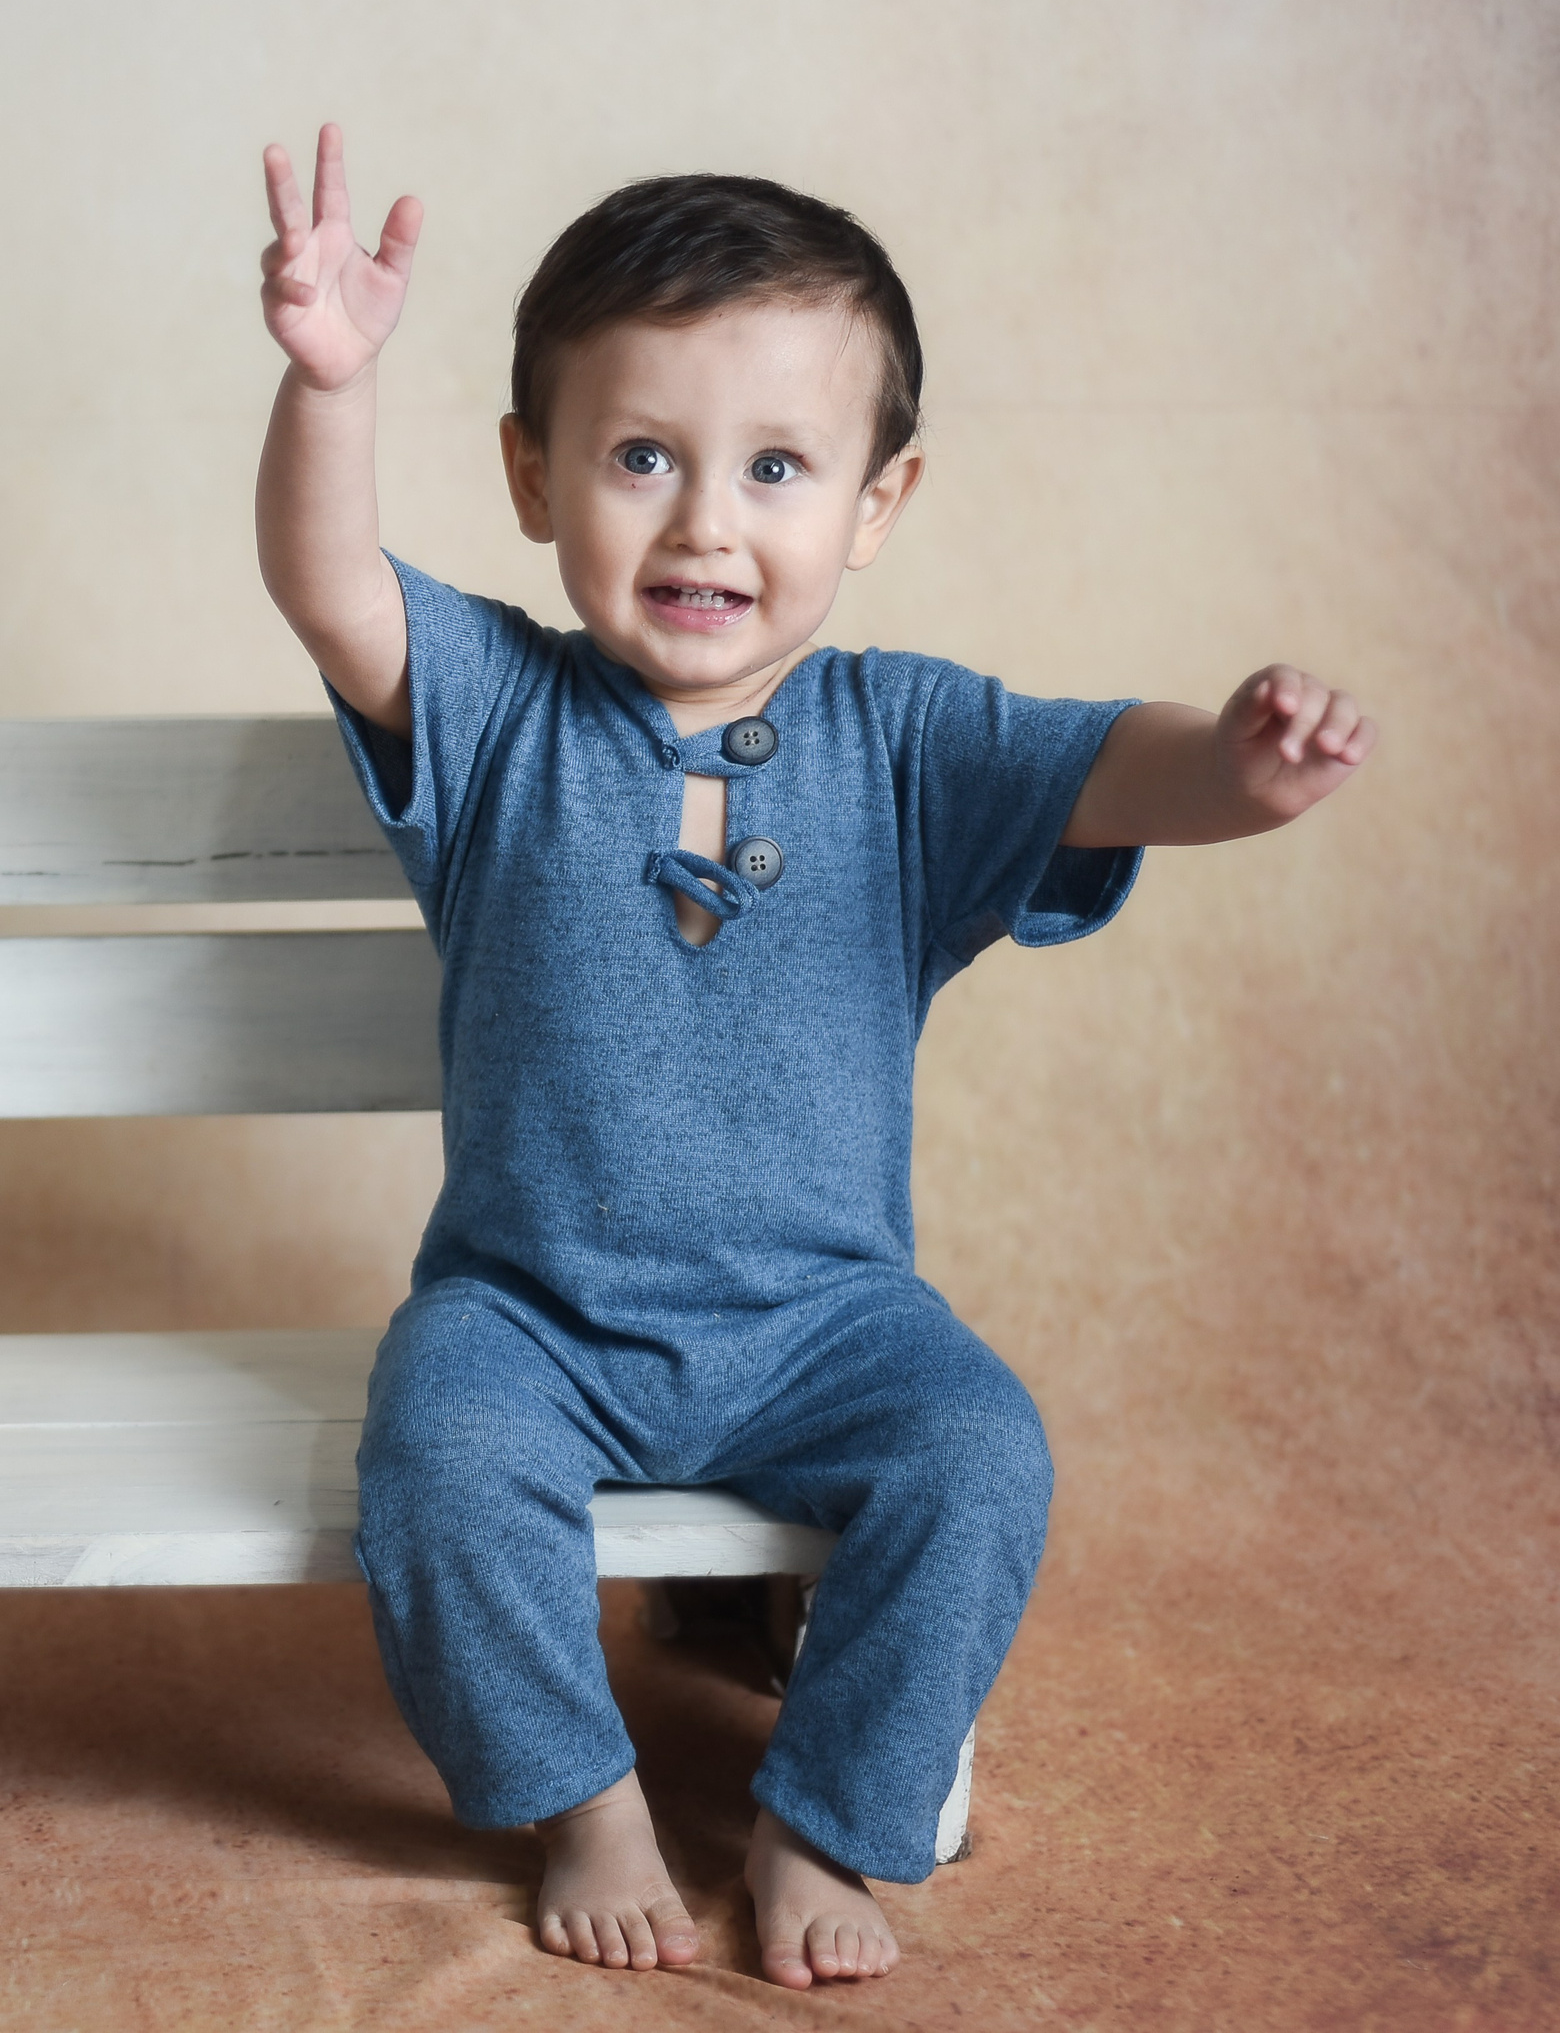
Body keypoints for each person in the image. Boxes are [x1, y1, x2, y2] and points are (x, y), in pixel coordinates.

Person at [253, 123, 1375, 1990]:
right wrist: (326, 388)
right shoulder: (500, 707)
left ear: (876, 501)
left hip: (827, 1320)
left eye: (779, 467)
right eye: (640, 458)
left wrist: (1246, 768)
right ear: (532, 478)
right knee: (438, 1451)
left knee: (981, 1451)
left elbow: (1121, 765)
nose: (707, 521)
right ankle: (583, 1793)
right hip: (534, 1309)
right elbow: (327, 581)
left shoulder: (911, 743)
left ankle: (819, 1811)